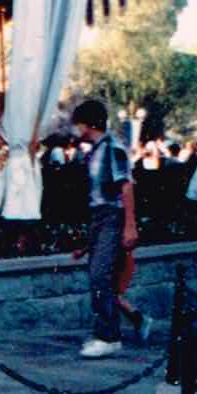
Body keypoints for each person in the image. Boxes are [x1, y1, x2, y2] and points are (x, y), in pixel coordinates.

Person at [69, 99, 138, 358]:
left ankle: (109, 337)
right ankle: (105, 331)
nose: (76, 129)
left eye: (78, 123)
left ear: (88, 124)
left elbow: (126, 186)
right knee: (97, 276)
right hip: (99, 216)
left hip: (112, 214)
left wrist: (129, 225)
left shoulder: (113, 149)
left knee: (100, 276)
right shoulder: (96, 150)